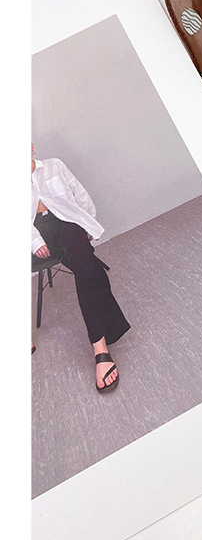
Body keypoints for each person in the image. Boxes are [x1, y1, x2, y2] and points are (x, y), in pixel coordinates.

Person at [31, 144, 130, 392]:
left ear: (30, 147)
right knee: (90, 267)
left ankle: (99, 347)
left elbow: (80, 194)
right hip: (34, 232)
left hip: (66, 222)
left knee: (85, 266)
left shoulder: (54, 165)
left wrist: (88, 222)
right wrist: (34, 241)